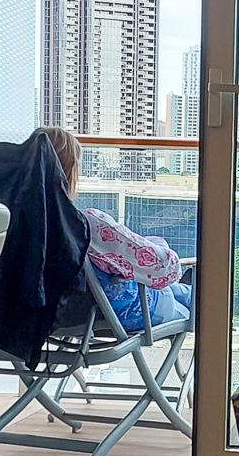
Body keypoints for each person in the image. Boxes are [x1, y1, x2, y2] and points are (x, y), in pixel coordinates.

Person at [37, 127, 192, 336]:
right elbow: (165, 268)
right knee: (194, 310)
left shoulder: (13, 225)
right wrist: (160, 245)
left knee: (180, 292)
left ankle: (189, 291)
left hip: (53, 318)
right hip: (118, 314)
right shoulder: (86, 225)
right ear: (70, 172)